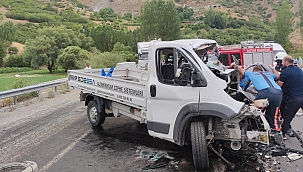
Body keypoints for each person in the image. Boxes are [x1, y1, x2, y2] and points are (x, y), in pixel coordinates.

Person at [233, 65, 282, 131]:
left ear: (254, 71)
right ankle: (276, 131)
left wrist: (235, 65)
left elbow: (240, 69)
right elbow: (278, 76)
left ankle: (256, 129)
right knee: (273, 115)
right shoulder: (269, 74)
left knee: (254, 113)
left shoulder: (252, 74)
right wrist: (272, 68)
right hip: (278, 92)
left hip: (265, 92)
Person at [272, 55, 303, 139]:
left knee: (287, 118)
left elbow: (279, 87)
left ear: (286, 62)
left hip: (295, 98)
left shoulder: (285, 72)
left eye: (282, 62)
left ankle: (282, 136)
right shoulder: (299, 69)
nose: (282, 64)